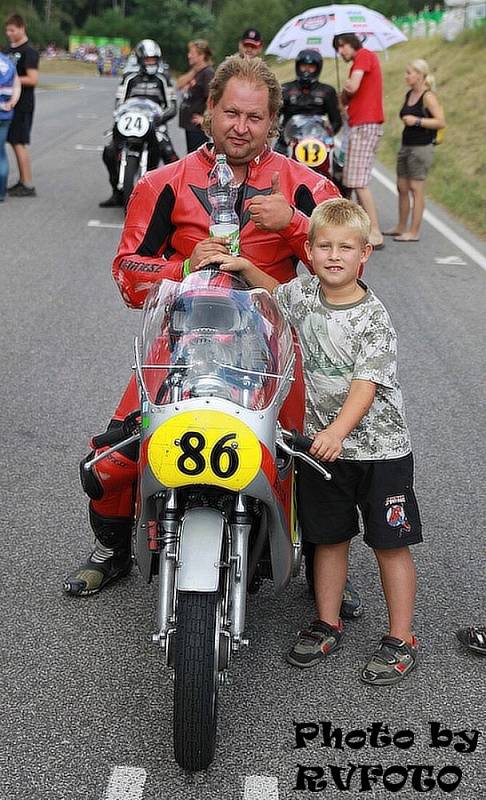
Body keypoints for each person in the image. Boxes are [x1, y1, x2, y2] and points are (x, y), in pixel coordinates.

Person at [63, 54, 342, 598]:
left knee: (313, 457)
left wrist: (297, 226)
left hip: (276, 349)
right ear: (207, 112)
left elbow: (349, 268)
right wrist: (184, 267)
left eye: (255, 118)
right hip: (181, 345)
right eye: (231, 113)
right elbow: (128, 274)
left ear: (273, 123)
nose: (241, 127)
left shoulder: (304, 184)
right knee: (112, 457)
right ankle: (114, 549)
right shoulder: (163, 182)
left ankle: (324, 568)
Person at [202, 198, 423, 685]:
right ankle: (327, 621)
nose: (334, 255)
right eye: (324, 246)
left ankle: (401, 638)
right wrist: (243, 266)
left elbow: (367, 384)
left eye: (346, 247)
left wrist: (336, 433)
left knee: (390, 543)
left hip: (378, 451)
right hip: (323, 451)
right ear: (309, 249)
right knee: (328, 536)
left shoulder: (373, 317)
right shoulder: (304, 294)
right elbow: (276, 293)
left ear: (365, 254)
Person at [99, 39, 178, 208]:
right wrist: (121, 115)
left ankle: (176, 198)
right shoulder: (129, 78)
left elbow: (172, 106)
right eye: (148, 59)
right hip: (130, 123)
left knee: (170, 155)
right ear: (141, 59)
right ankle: (116, 192)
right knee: (109, 152)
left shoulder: (163, 78)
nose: (151, 63)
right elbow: (119, 102)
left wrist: (159, 119)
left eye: (154, 59)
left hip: (155, 125)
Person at [383, 59, 445, 242]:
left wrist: (417, 121)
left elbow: (441, 122)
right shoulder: (410, 93)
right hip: (406, 145)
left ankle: (414, 231)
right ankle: (401, 226)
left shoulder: (428, 96)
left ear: (419, 75)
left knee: (416, 188)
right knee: (401, 187)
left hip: (422, 147)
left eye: (409, 72)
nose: (406, 76)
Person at [333, 34, 384, 249]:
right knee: (352, 177)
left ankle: (375, 231)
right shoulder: (358, 62)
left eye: (342, 46)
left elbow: (353, 86)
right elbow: (349, 97)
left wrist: (346, 87)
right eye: (338, 48)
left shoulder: (364, 55)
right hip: (358, 124)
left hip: (365, 124)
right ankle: (358, 226)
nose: (341, 52)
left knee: (357, 181)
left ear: (352, 44)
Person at [275, 49, 342, 154]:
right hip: (288, 140)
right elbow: (275, 116)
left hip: (316, 142)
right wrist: (281, 134)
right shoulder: (285, 89)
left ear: (317, 68)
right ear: (298, 67)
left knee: (331, 160)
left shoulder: (327, 91)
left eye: (311, 67)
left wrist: (325, 136)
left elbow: (336, 121)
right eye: (303, 66)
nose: (306, 70)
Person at [4, 13, 39, 197]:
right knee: (11, 140)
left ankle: (27, 183)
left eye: (12, 30)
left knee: (19, 142)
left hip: (23, 103)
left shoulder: (29, 51)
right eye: (7, 30)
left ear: (21, 28)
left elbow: (33, 79)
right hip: (8, 103)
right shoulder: (7, 51)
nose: (9, 33)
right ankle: (20, 181)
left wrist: (10, 80)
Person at [176, 39, 214, 153]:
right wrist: (194, 70)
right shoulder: (196, 72)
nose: (189, 56)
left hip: (198, 128)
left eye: (192, 53)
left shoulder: (208, 73)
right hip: (190, 125)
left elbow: (212, 98)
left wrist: (205, 119)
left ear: (202, 56)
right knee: (190, 155)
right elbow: (178, 84)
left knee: (198, 157)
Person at [0, 51, 20, 201]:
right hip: (5, 113)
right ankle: (1, 192)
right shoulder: (9, 63)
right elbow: (17, 85)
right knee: (1, 154)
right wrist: (12, 102)